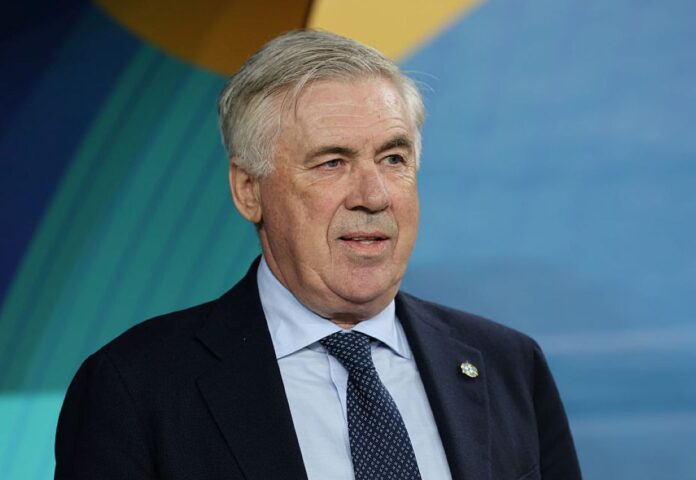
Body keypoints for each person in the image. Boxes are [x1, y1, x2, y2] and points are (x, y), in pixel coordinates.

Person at [55, 30, 581, 480]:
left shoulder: (508, 365)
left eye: (393, 158)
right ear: (248, 191)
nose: (373, 195)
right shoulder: (135, 388)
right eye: (332, 162)